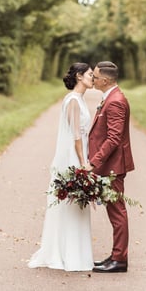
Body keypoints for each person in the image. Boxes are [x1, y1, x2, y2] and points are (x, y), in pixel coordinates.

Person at [28, 62, 94, 271]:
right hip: (74, 158)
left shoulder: (79, 100)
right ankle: (66, 254)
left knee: (76, 205)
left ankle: (75, 252)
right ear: (79, 76)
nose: (93, 77)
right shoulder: (73, 101)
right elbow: (75, 136)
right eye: (90, 74)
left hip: (79, 155)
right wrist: (83, 163)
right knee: (72, 203)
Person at [87, 61, 135, 273]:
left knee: (117, 213)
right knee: (114, 211)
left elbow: (114, 138)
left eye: (95, 77)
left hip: (113, 166)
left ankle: (119, 260)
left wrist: (94, 162)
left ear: (105, 80)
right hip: (109, 165)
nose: (93, 80)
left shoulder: (115, 101)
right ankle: (115, 256)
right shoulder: (110, 98)